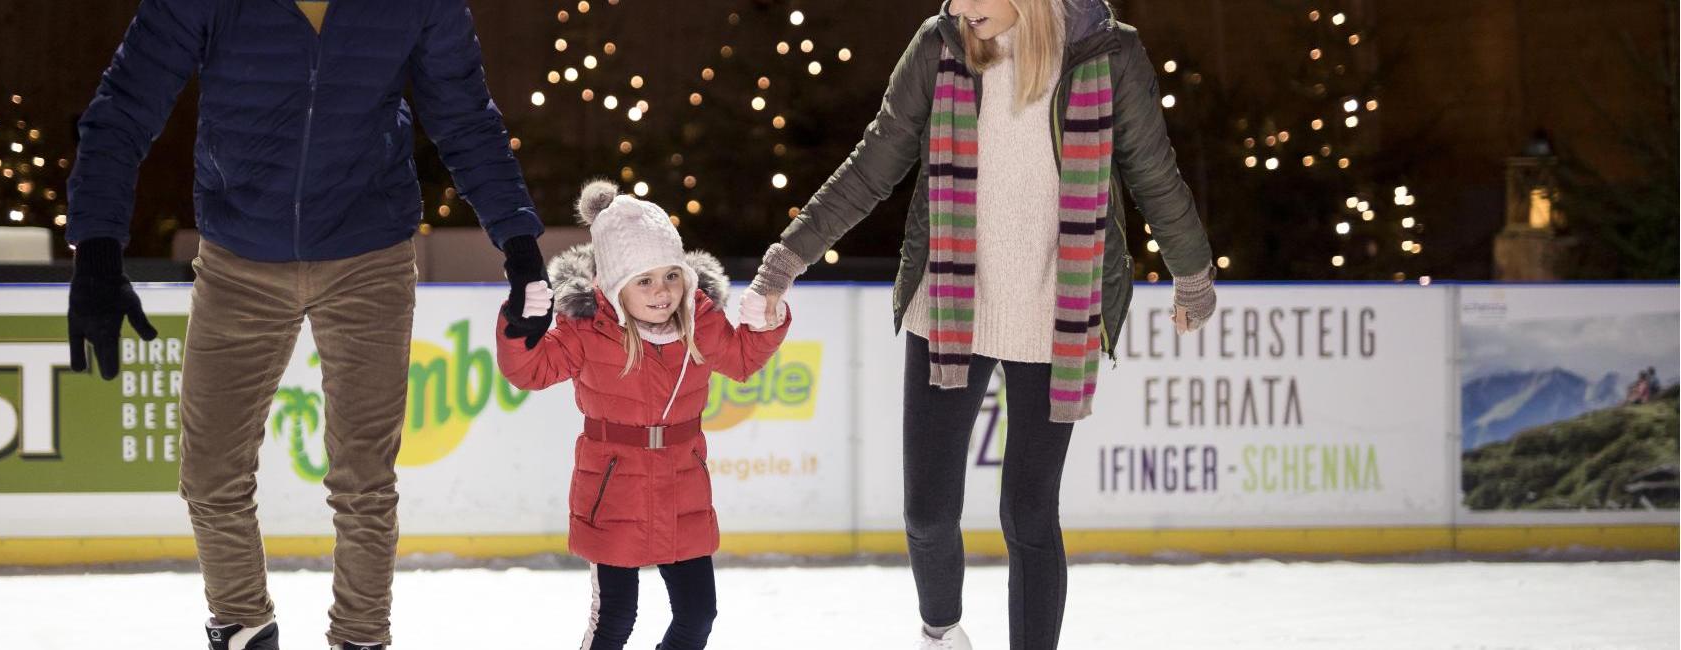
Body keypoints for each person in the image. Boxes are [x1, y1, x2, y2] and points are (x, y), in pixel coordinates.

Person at [62, 2, 552, 648]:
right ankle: (242, 625)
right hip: (240, 253)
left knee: (365, 479)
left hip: (369, 250)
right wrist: (97, 247)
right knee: (209, 472)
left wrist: (519, 245)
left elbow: (465, 117)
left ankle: (361, 636)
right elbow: (126, 104)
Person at [741, 1, 1218, 648]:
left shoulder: (1108, 54)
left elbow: (1152, 171)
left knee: (1028, 513)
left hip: (1057, 311)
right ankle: (940, 631)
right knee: (928, 513)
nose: (958, 6)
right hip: (948, 305)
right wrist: (787, 258)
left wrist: (1192, 274)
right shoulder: (940, 46)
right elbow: (875, 161)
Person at [497, 181, 792, 650]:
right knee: (616, 618)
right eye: (645, 281)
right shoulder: (588, 327)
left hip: (682, 485)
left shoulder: (698, 317)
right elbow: (529, 371)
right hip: (613, 486)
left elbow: (739, 360)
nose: (662, 293)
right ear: (615, 286)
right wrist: (520, 325)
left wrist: (766, 322)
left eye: (670, 276)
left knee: (698, 615)